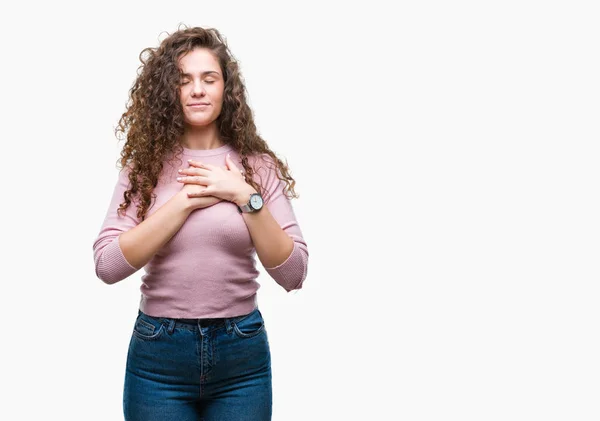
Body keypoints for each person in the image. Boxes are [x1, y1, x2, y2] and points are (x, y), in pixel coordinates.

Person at [92, 25, 309, 421]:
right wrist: (184, 202)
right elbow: (107, 266)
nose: (197, 90)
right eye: (184, 80)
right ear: (168, 92)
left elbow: (294, 273)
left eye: (209, 79)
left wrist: (244, 196)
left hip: (241, 356)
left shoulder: (256, 167)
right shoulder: (145, 167)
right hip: (159, 357)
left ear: (226, 89)